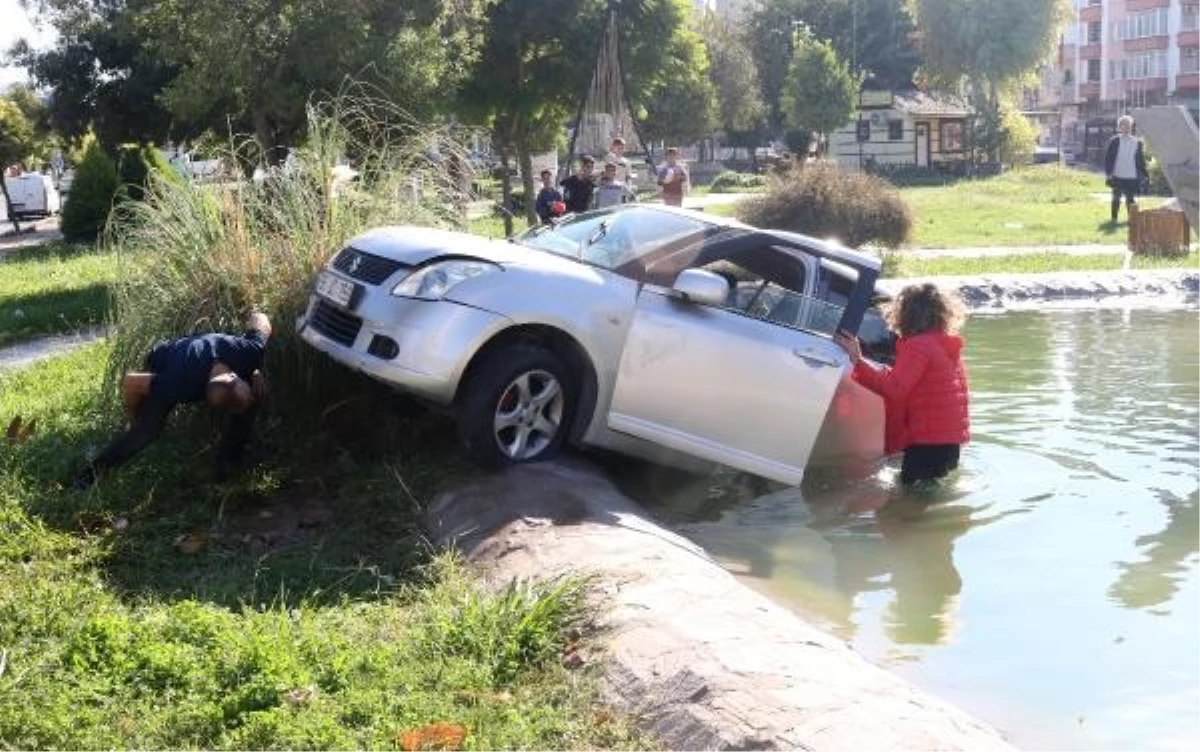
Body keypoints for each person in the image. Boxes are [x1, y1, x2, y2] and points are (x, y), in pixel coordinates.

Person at [72, 311, 273, 489]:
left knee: (252, 399)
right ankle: (89, 475)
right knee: (146, 431)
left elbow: (260, 319)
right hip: (167, 359)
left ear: (236, 376)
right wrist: (133, 417)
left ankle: (227, 467)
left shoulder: (248, 352)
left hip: (206, 358)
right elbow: (131, 382)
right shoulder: (179, 384)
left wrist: (255, 370)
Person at [833, 283, 969, 486]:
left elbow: (895, 389)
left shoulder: (918, 346)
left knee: (910, 501)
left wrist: (857, 359)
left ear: (906, 315)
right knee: (929, 492)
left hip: (928, 443)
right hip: (950, 442)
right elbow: (919, 384)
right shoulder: (943, 344)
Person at [1104, 114, 1149, 224]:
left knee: (1130, 199)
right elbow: (1108, 158)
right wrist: (1109, 173)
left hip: (1131, 175)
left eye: (1128, 125)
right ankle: (1114, 219)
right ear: (1119, 127)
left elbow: (1140, 160)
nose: (1126, 127)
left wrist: (1145, 174)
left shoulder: (1137, 142)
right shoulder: (1114, 141)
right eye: (1123, 125)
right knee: (1116, 198)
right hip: (1117, 174)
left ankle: (1132, 220)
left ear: (1131, 127)